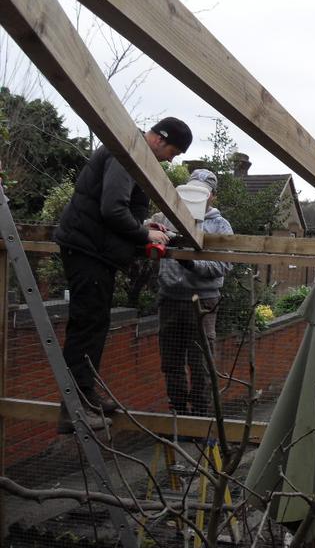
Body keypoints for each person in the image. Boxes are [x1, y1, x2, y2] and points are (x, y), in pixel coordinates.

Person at [55, 117, 193, 433]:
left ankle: (85, 396)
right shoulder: (125, 153)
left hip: (94, 250)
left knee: (95, 324)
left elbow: (123, 212)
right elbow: (112, 210)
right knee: (86, 326)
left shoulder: (133, 156)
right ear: (160, 138)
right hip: (87, 249)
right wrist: (145, 238)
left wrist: (145, 228)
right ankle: (73, 408)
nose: (172, 159)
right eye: (174, 151)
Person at [153, 169, 233, 417]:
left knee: (201, 365)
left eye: (202, 191)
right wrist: (149, 227)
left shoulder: (219, 225)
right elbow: (147, 234)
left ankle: (199, 417)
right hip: (170, 299)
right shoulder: (167, 217)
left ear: (212, 196)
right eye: (192, 189)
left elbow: (223, 265)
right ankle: (177, 415)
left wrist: (191, 263)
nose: (196, 195)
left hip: (203, 301)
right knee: (171, 362)